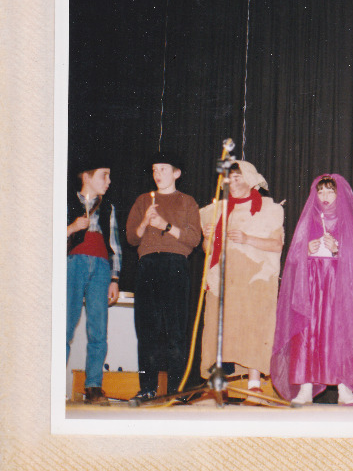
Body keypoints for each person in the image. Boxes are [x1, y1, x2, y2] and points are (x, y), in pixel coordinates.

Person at [270, 174, 353, 405]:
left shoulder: (346, 220)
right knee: (307, 332)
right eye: (321, 191)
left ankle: (344, 387)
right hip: (311, 283)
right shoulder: (309, 218)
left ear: (339, 194)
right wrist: (307, 249)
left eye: (330, 191)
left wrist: (337, 249)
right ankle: (305, 386)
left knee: (339, 332)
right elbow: (293, 257)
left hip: (337, 284)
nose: (325, 196)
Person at [199, 161, 284, 395]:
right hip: (225, 280)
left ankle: (254, 384)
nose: (233, 183)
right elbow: (208, 251)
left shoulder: (269, 209)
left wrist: (248, 239)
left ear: (250, 179)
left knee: (253, 327)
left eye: (238, 178)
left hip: (254, 279)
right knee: (219, 327)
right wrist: (207, 237)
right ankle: (221, 385)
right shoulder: (215, 210)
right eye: (229, 179)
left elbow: (277, 244)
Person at [125, 153, 201, 400]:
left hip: (175, 265)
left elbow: (194, 238)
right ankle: (147, 388)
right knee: (146, 330)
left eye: (163, 169)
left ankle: (176, 391)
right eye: (155, 169)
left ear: (176, 173)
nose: (157, 174)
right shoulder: (142, 201)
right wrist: (145, 221)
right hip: (147, 265)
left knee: (175, 331)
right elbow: (131, 238)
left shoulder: (187, 202)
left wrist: (164, 225)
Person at [66, 159, 122, 404]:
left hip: (100, 267)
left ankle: (93, 386)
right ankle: (51, 383)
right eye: (104, 175)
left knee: (98, 329)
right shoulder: (66, 202)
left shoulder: (108, 207)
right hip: (73, 264)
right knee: (66, 325)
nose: (108, 181)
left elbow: (115, 245)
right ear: (87, 177)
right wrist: (71, 228)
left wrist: (114, 278)